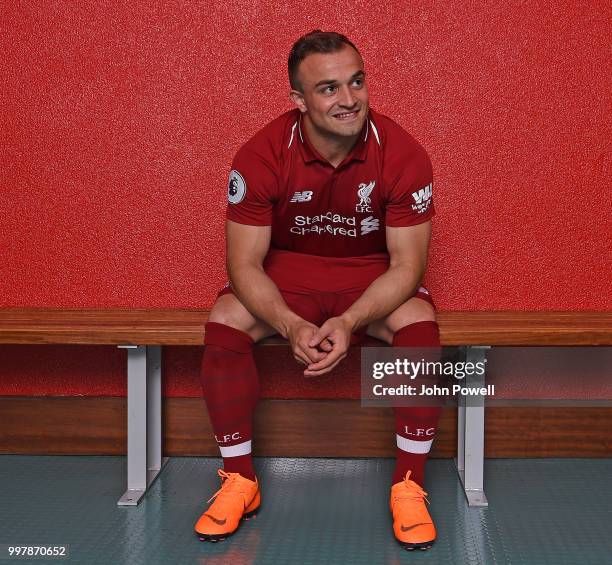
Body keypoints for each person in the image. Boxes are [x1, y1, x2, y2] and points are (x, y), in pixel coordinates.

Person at [195, 30, 441, 551]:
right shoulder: (261, 154)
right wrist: (289, 322)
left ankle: (410, 484)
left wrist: (350, 321)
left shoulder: (403, 153)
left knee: (419, 325)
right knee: (225, 319)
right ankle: (240, 478)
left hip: (370, 273)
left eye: (356, 82)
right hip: (288, 274)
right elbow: (242, 263)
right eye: (328, 89)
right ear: (299, 100)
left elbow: (408, 264)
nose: (348, 100)